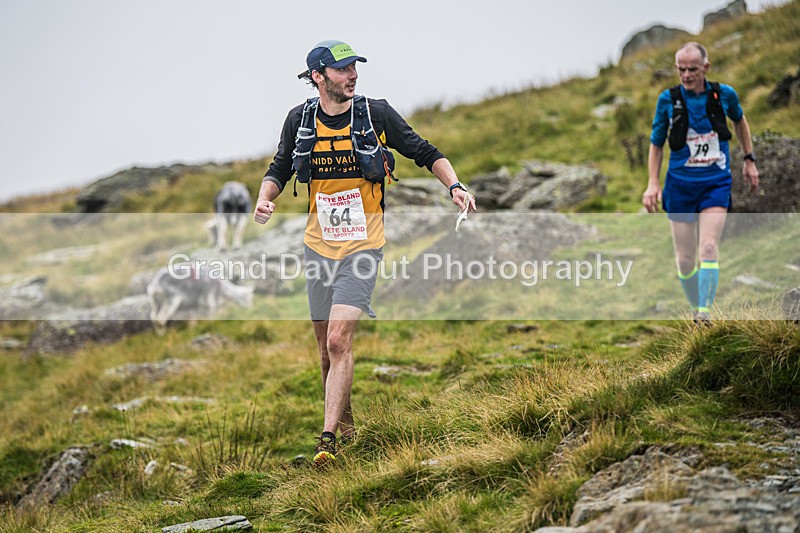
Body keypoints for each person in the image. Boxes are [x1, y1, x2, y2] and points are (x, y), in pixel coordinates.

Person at [253, 40, 476, 466]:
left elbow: (426, 151)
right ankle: (348, 429)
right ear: (318, 77)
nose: (352, 75)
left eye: (354, 67)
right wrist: (266, 198)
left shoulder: (376, 114)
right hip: (317, 248)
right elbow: (279, 167)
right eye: (341, 70)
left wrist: (455, 185)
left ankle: (327, 441)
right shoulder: (299, 120)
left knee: (340, 340)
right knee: (327, 352)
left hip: (363, 246)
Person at [642, 42, 759, 324]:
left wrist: (749, 158)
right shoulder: (667, 100)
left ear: (705, 67)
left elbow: (740, 122)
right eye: (681, 69)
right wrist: (652, 183)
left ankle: (704, 313)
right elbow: (656, 144)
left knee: (707, 248)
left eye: (692, 69)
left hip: (714, 183)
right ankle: (697, 307)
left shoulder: (724, 95)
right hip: (680, 186)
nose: (686, 74)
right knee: (684, 260)